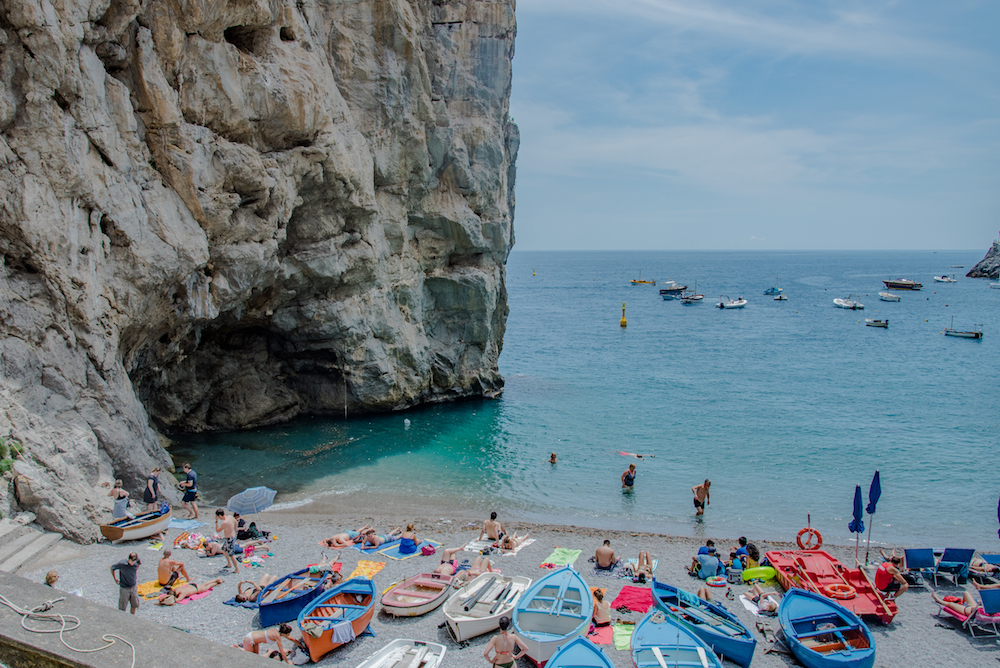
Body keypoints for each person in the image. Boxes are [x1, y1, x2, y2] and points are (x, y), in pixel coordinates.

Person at [157, 577, 225, 605]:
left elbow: (177, 600)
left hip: (197, 590)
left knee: (207, 587)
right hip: (192, 585)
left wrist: (165, 600)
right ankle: (216, 580)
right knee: (204, 584)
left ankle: (216, 582)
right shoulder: (176, 589)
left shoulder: (182, 593)